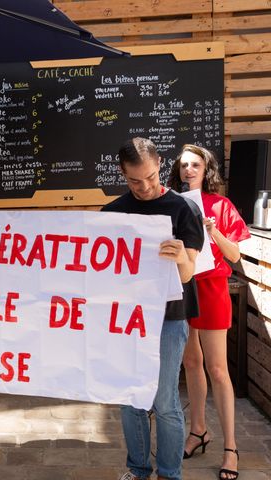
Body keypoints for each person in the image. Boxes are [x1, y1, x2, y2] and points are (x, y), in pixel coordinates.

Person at [102, 138, 204, 480]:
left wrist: (178, 258)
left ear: (160, 166)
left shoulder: (184, 209)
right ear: (122, 174)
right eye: (134, 180)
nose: (144, 187)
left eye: (151, 177)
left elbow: (190, 273)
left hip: (169, 318)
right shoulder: (112, 213)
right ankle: (138, 469)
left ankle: (170, 473)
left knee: (164, 403)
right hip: (126, 319)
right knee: (131, 400)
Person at [168, 144, 250, 480]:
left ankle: (230, 447)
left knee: (218, 368)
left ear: (207, 169)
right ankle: (199, 430)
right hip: (183, 287)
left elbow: (235, 257)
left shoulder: (221, 205)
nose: (189, 170)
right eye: (184, 165)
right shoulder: (173, 204)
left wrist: (213, 230)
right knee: (191, 363)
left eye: (195, 165)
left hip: (213, 288)